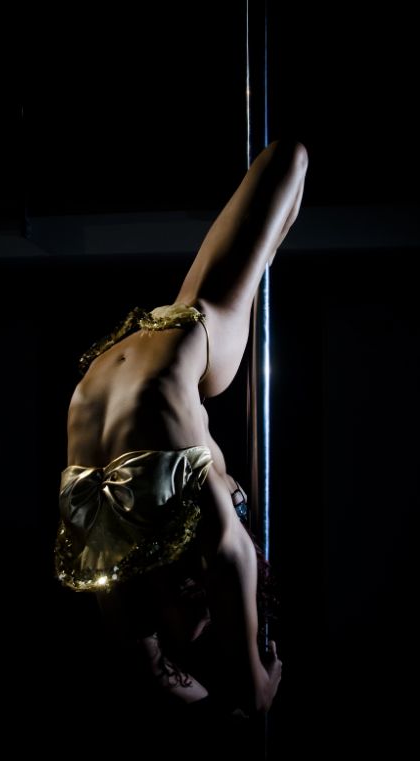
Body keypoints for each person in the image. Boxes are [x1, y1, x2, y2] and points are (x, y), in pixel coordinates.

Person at [54, 140, 308, 728]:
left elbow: (231, 555)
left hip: (171, 359)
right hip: (108, 378)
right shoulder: (115, 576)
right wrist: (226, 712)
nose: (206, 626)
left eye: (205, 614)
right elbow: (152, 670)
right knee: (271, 239)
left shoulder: (177, 512)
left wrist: (254, 682)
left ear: (192, 584)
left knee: (289, 162)